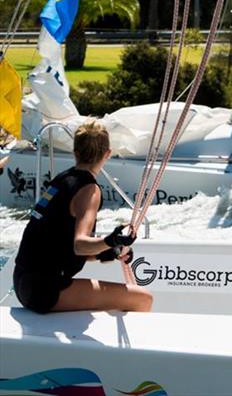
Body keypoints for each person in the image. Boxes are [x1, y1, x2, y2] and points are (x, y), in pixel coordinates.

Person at [13, 120, 152, 314]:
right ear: (108, 154)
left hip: (22, 282)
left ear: (75, 152)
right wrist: (111, 239)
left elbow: (62, 244)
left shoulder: (61, 180)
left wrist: (111, 250)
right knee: (143, 299)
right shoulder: (89, 190)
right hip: (44, 291)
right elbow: (80, 245)